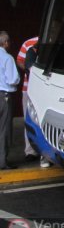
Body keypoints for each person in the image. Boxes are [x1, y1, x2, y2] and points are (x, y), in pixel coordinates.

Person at [16, 36, 50, 168]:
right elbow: (19, 60)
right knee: (29, 120)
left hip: (46, 90)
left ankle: (44, 153)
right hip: (28, 88)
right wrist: (30, 69)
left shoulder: (52, 42)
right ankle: (30, 151)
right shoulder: (28, 43)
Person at [0, 31, 20, 170]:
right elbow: (12, 79)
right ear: (5, 42)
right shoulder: (7, 58)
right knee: (4, 130)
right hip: (4, 96)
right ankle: (2, 161)